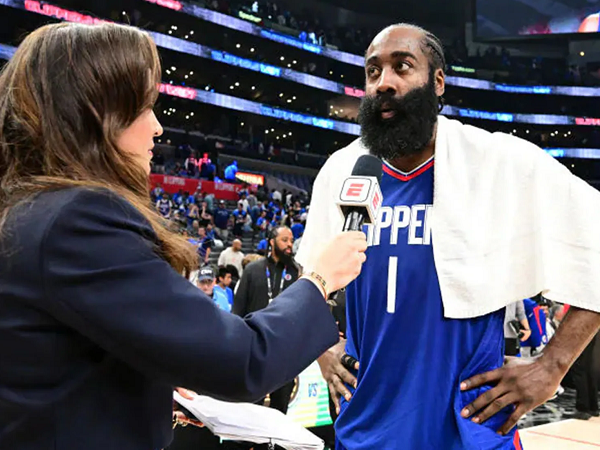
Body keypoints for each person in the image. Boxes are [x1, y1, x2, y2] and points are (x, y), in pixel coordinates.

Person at [0, 22, 369, 450]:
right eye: (143, 108)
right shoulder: (78, 218)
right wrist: (320, 279)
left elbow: (60, 366)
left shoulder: (28, 211)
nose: (157, 127)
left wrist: (154, 389)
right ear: (92, 115)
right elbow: (245, 361)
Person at [297, 23, 600, 450]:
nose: (384, 83)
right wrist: (322, 347)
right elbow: (310, 278)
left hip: (472, 430)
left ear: (437, 81)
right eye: (372, 72)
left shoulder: (499, 160)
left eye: (402, 67)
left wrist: (552, 366)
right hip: (364, 426)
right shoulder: (341, 170)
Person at [233, 226, 299, 415]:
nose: (289, 245)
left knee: (280, 411)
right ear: (271, 242)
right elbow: (238, 309)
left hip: (285, 352)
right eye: (284, 240)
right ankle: (251, 445)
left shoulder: (296, 273)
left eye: (291, 240)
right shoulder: (253, 270)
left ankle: (275, 446)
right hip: (255, 349)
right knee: (252, 410)